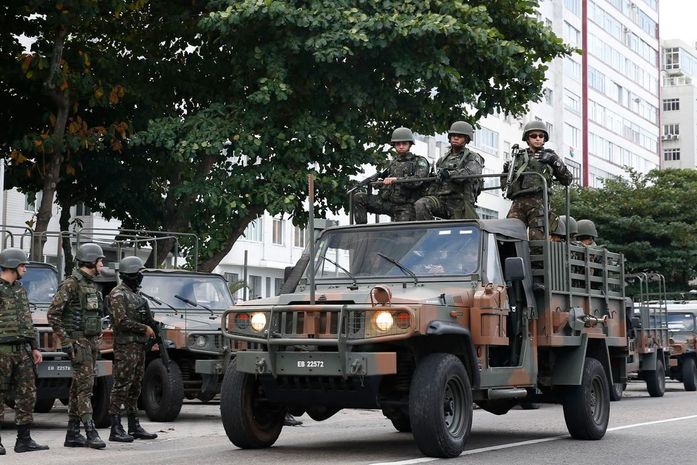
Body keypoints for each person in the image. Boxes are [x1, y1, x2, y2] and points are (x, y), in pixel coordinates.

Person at [47, 243, 107, 449]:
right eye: (100, 260)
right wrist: (66, 341)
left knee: (77, 389)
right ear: (90, 261)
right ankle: (90, 430)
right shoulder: (71, 285)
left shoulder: (91, 285)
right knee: (85, 389)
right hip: (78, 343)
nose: (102, 264)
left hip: (90, 344)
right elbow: (53, 314)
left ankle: (72, 433)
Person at [0, 248, 49, 454]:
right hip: (2, 351)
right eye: (22, 265)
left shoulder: (20, 289)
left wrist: (35, 347)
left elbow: (27, 321)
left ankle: (24, 439)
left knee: (27, 394)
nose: (25, 269)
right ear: (11, 265)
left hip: (23, 352)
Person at [107, 256, 157, 442]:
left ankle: (134, 425)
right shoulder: (118, 294)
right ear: (131, 275)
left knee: (135, 386)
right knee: (122, 385)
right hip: (125, 347)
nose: (141, 277)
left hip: (138, 347)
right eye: (139, 273)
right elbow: (121, 322)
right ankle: (115, 426)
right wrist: (144, 329)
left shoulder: (136, 295)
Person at [502, 120, 573, 239]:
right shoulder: (518, 157)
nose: (538, 138)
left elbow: (567, 179)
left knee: (538, 239)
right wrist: (505, 171)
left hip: (539, 201)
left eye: (541, 136)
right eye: (533, 136)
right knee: (511, 236)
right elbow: (505, 186)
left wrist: (554, 161)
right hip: (518, 201)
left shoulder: (550, 155)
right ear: (527, 138)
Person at [353, 127, 430, 224]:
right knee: (359, 197)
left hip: (406, 205)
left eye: (404, 143)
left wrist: (396, 179)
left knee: (401, 234)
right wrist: (380, 183)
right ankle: (361, 231)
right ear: (394, 145)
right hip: (387, 202)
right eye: (398, 144)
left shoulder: (419, 161)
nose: (401, 146)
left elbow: (418, 180)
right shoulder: (392, 163)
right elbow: (385, 180)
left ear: (410, 144)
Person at [415, 121, 484, 220]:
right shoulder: (442, 160)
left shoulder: (473, 157)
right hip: (441, 200)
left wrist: (449, 174)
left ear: (466, 139)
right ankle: (429, 232)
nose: (455, 138)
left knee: (459, 232)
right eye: (453, 135)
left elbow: (470, 173)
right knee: (421, 204)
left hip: (460, 203)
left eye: (459, 136)